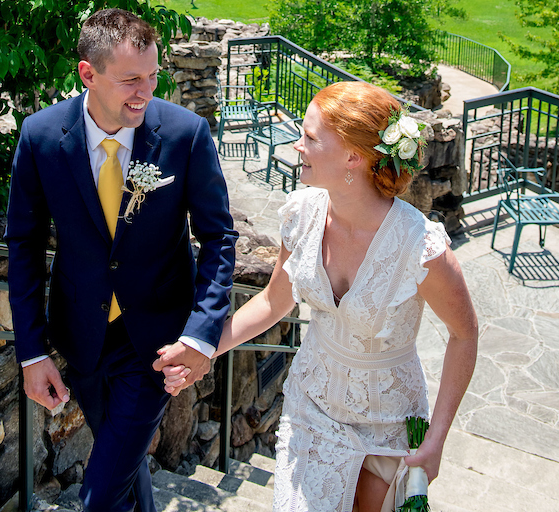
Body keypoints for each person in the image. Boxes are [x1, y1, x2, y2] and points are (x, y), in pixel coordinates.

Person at [166, 81, 477, 512]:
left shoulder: (420, 247)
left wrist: (437, 440)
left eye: (310, 138)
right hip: (310, 406)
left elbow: (465, 334)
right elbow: (274, 301)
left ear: (353, 157)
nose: (298, 146)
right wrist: (204, 349)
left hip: (388, 421)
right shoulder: (301, 213)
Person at [6, 9, 237, 512]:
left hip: (157, 342)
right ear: (88, 74)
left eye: (152, 76)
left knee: (101, 494)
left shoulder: (186, 134)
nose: (145, 92)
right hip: (82, 337)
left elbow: (219, 238)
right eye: (131, 79)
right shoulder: (40, 136)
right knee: (125, 472)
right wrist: (32, 352)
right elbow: (23, 244)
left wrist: (201, 334)